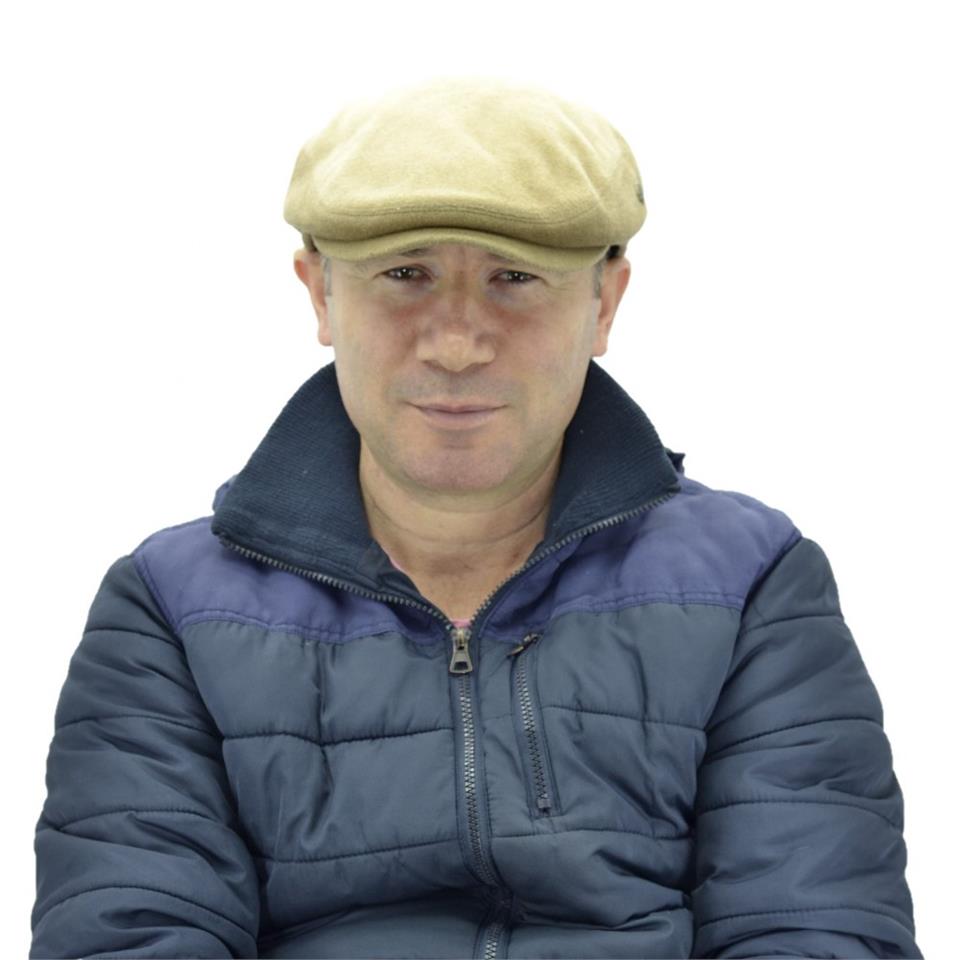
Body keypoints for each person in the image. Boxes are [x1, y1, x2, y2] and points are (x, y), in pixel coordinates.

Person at [30, 78, 921, 959]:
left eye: (515, 278)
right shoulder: (171, 611)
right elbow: (127, 936)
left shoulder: (750, 584)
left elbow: (815, 930)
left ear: (605, 303)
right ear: (320, 295)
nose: (457, 343)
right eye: (404, 275)